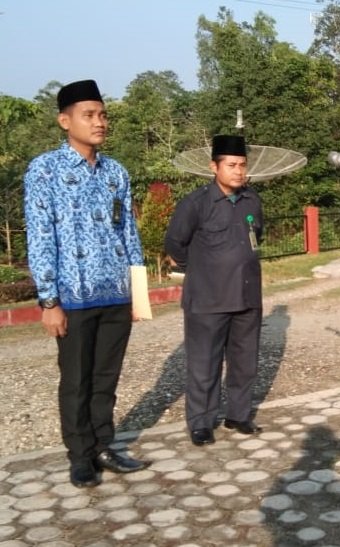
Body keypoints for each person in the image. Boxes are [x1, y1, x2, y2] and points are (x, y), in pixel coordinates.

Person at [24, 79, 149, 488]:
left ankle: (104, 446)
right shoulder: (45, 170)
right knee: (76, 380)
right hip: (73, 298)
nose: (99, 122)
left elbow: (128, 233)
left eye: (103, 115)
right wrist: (49, 301)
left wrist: (138, 294)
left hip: (115, 294)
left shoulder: (116, 172)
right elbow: (41, 236)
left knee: (106, 379)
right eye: (89, 115)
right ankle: (80, 456)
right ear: (65, 121)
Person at [164, 135, 264, 446]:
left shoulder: (252, 200)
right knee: (204, 364)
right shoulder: (196, 203)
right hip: (207, 298)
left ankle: (238, 415)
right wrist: (201, 269)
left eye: (242, 165)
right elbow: (174, 244)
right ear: (214, 167)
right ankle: (201, 423)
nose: (239, 171)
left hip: (246, 295)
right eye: (231, 165)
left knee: (244, 362)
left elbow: (256, 236)